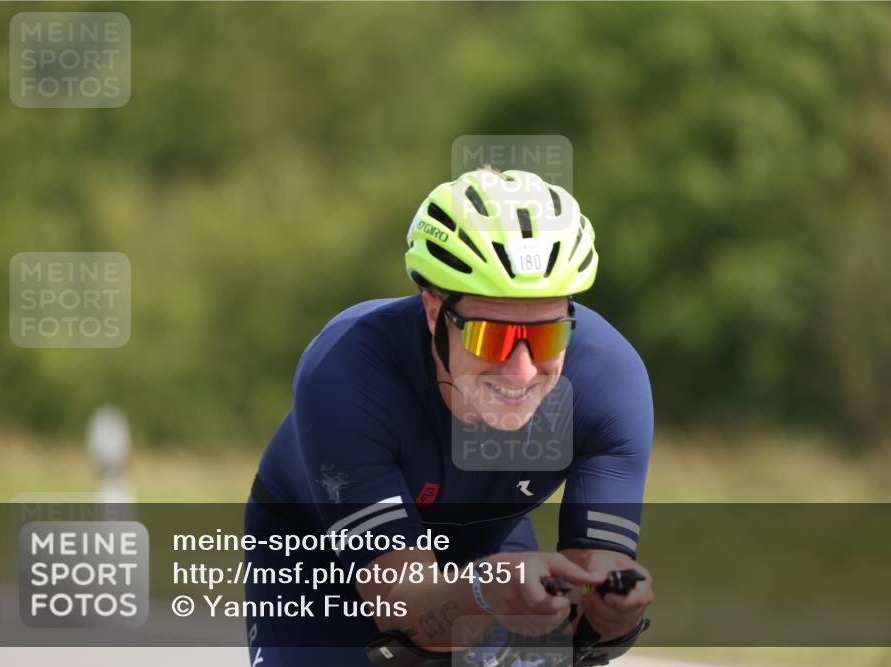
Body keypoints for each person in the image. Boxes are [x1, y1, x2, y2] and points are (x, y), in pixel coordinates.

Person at [245, 167, 654, 666]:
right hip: (316, 551)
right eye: (492, 337)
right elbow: (406, 606)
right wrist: (487, 593)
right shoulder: (346, 370)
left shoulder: (607, 380)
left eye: (548, 337)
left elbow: (594, 575)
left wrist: (613, 610)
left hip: (490, 538)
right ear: (435, 311)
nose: (521, 370)